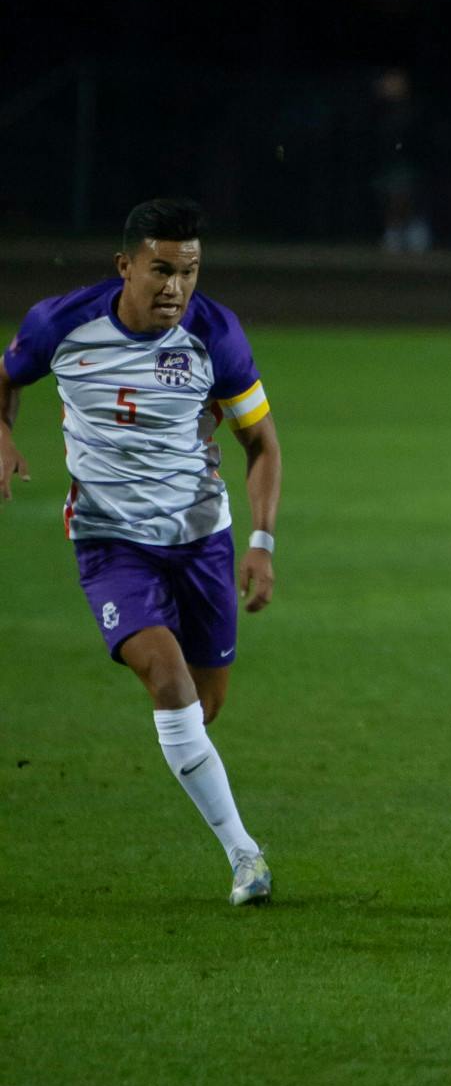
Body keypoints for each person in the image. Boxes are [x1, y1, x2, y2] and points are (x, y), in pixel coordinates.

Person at [0, 197, 281, 906]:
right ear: (124, 265)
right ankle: (245, 857)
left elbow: (261, 444)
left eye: (189, 271)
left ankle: (184, 732)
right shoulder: (60, 324)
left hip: (201, 542)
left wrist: (260, 541)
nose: (175, 288)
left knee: (203, 706)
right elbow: (6, 376)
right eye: (160, 270)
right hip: (108, 542)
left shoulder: (216, 335)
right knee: (168, 682)